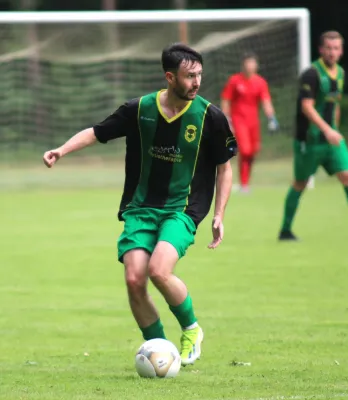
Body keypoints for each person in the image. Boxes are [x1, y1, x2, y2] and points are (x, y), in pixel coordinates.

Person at [43, 43, 237, 366]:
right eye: (190, 76)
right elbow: (97, 132)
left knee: (159, 270)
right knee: (135, 280)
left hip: (182, 209)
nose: (197, 82)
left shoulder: (210, 117)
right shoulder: (139, 109)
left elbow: (224, 167)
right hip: (140, 208)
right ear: (169, 77)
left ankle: (192, 329)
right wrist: (61, 151)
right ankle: (159, 350)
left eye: (200, 75)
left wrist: (219, 214)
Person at [279, 31, 348, 241]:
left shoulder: (340, 73)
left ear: (341, 51)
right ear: (321, 50)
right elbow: (307, 107)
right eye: (328, 48)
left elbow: (335, 104)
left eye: (336, 48)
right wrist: (327, 130)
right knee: (300, 183)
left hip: (331, 140)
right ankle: (285, 230)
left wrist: (335, 129)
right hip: (310, 141)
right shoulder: (311, 74)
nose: (332, 52)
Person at [221, 52, 279, 193]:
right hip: (238, 120)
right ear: (243, 65)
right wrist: (226, 119)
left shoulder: (260, 82)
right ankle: (244, 184)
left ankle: (245, 183)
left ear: (256, 65)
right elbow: (226, 100)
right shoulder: (235, 80)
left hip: (253, 122)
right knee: (245, 150)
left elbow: (266, 101)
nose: (250, 66)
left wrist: (272, 118)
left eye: (252, 63)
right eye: (247, 63)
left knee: (253, 151)